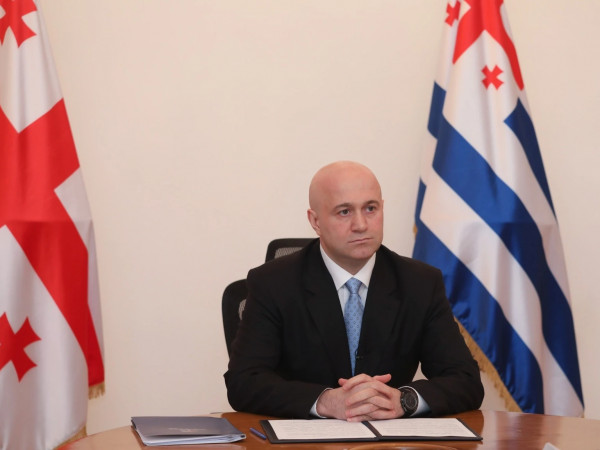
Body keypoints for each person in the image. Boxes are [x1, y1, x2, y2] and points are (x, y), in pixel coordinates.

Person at [224, 161, 483, 421]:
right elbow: (243, 381)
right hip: (305, 438)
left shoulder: (420, 283)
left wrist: (403, 400)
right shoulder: (273, 283)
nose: (361, 224)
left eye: (371, 208)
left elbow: (465, 380)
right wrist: (324, 401)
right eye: (344, 211)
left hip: (390, 437)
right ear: (315, 221)